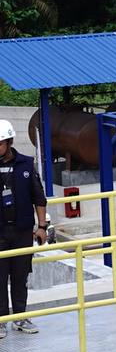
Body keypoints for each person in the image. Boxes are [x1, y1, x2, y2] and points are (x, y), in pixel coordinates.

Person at [0, 119, 47, 338]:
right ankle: (1, 321)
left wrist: (42, 226)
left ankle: (19, 317)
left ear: (8, 142)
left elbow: (39, 198)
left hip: (22, 232)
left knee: (20, 277)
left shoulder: (26, 165)